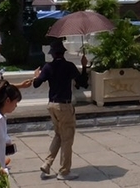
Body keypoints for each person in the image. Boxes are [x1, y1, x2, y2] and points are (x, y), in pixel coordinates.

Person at [33, 40, 86, 181]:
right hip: (64, 106)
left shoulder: (48, 67)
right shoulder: (69, 66)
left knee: (58, 135)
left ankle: (47, 163)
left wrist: (36, 75)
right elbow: (83, 83)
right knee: (67, 139)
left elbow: (36, 84)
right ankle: (64, 171)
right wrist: (85, 66)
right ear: (63, 53)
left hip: (52, 105)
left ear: (52, 54)